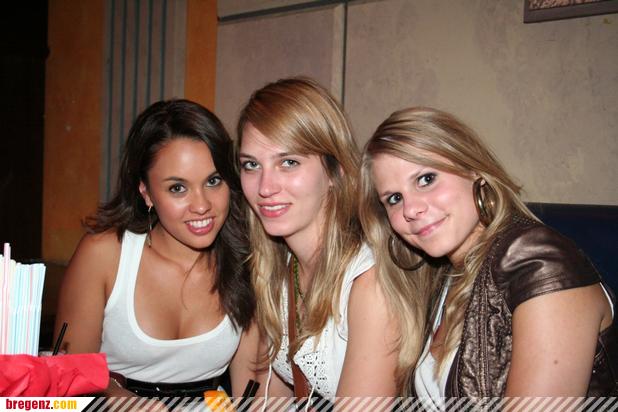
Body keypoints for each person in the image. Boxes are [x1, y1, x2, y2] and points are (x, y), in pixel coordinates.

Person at [359, 106, 617, 401]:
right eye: (394, 198)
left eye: (426, 179)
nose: (411, 209)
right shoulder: (439, 278)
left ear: (473, 169)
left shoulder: (539, 262)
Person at [54, 99, 258, 399]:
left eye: (213, 181)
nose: (202, 205)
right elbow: (68, 373)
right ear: (146, 192)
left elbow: (250, 394)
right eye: (178, 188)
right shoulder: (105, 254)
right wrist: (118, 398)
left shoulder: (249, 259)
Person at [236, 77, 399, 401]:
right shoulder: (281, 266)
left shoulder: (370, 285)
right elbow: (273, 393)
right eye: (251, 165)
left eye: (288, 162)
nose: (265, 187)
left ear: (336, 172)